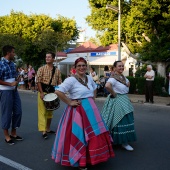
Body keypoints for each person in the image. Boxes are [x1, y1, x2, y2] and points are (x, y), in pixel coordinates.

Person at [52, 57, 115, 169]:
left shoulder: (89, 78)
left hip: (91, 110)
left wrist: (92, 99)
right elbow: (58, 91)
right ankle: (81, 161)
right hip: (78, 111)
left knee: (94, 134)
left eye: (83, 65)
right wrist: (69, 102)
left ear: (86, 66)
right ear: (75, 68)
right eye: (79, 66)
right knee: (81, 136)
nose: (81, 67)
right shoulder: (70, 80)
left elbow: (94, 88)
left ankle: (92, 158)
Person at [101, 61, 137, 151]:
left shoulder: (123, 77)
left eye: (122, 66)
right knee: (120, 120)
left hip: (125, 99)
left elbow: (128, 85)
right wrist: (114, 93)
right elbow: (107, 86)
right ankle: (122, 142)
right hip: (117, 100)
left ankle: (122, 141)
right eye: (119, 66)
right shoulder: (113, 78)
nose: (121, 67)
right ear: (114, 68)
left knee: (126, 118)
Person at [0, 45, 23, 145]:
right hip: (5, 92)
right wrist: (10, 84)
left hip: (14, 91)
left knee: (18, 111)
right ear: (8, 53)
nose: (14, 54)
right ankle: (7, 136)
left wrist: (17, 80)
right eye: (13, 52)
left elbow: (13, 78)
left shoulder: (13, 64)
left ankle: (13, 133)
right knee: (7, 113)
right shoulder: (1, 64)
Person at [36, 52, 62, 139]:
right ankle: (43, 131)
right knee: (42, 112)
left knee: (50, 111)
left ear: (53, 59)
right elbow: (38, 81)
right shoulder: (41, 69)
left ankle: (48, 128)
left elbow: (59, 83)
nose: (47, 58)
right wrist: (41, 92)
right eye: (46, 57)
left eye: (49, 57)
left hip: (52, 93)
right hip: (43, 92)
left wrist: (57, 92)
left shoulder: (57, 70)